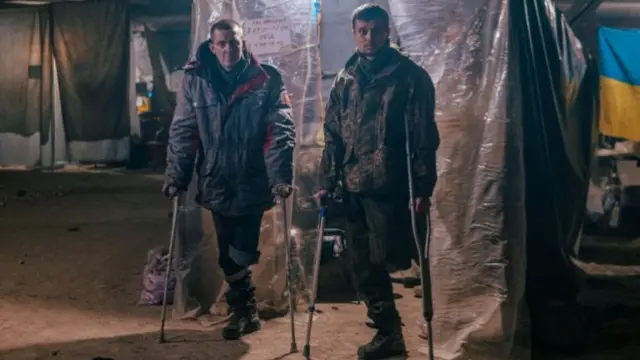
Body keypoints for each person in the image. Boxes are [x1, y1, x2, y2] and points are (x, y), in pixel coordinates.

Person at [316, 4, 439, 359]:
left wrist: (423, 185)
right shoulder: (345, 78)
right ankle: (388, 332)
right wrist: (327, 179)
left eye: (375, 30)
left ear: (388, 32)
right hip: (352, 184)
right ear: (354, 33)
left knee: (391, 256)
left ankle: (415, 324)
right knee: (361, 262)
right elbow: (333, 133)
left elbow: (423, 137)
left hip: (390, 184)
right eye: (362, 31)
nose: (368, 38)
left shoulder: (409, 76)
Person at [162, 18, 296, 340]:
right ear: (212, 46)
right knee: (227, 253)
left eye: (233, 42)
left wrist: (279, 176)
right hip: (217, 179)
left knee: (241, 252)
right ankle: (245, 311)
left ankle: (243, 307)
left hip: (251, 180)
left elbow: (278, 131)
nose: (228, 49)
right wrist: (176, 174)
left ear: (243, 43)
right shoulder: (196, 80)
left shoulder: (266, 79)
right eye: (221, 43)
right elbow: (185, 130)